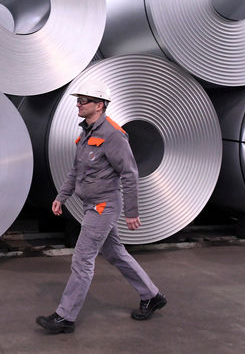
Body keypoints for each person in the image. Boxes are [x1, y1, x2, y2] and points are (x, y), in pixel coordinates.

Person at [36, 79, 166, 334]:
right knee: (116, 254)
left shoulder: (113, 135)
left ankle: (65, 317)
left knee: (82, 259)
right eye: (78, 100)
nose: (78, 104)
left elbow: (129, 174)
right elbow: (76, 170)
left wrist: (131, 212)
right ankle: (152, 295)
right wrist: (61, 196)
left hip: (103, 207)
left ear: (100, 105)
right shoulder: (87, 133)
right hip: (90, 205)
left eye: (83, 101)